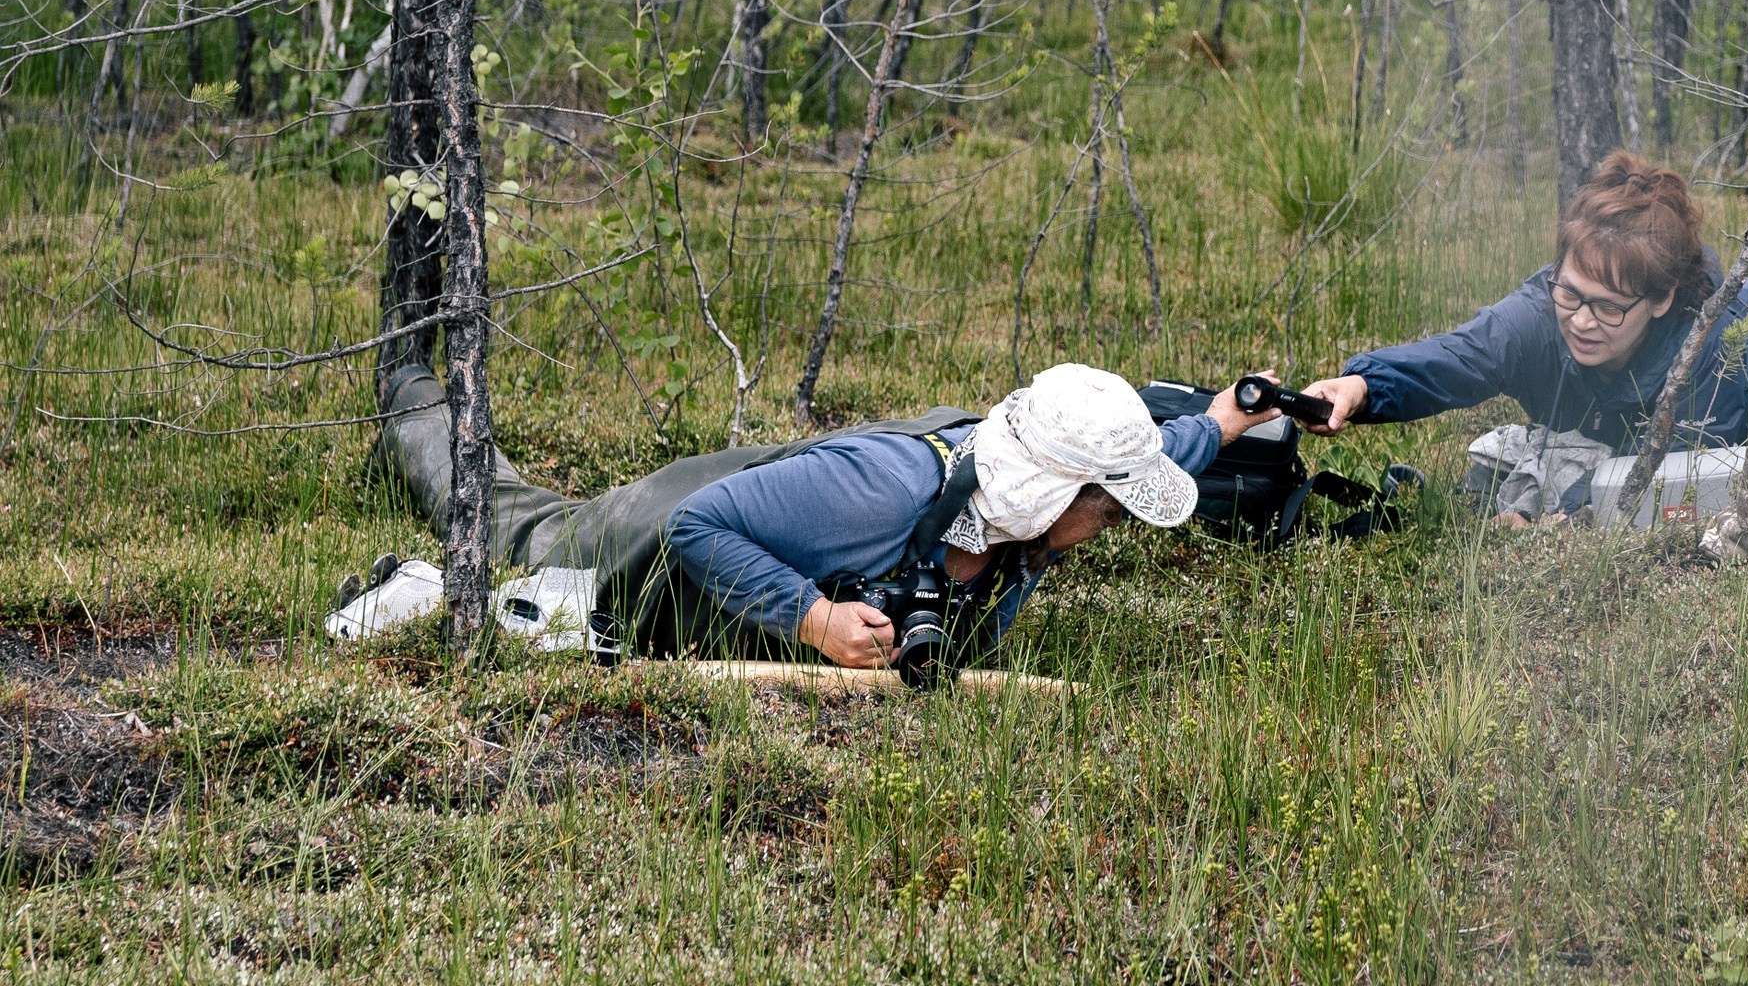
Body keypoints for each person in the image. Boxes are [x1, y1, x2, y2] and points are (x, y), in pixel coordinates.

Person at [361, 361, 1278, 669]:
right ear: (1057, 494)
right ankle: (411, 400)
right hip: (658, 530)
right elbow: (699, 531)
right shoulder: (885, 491)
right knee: (519, 525)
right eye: (1111, 513)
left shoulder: (1057, 501)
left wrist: (1237, 412)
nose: (1113, 527)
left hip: (745, 521)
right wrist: (817, 620)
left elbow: (1172, 453)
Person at [1296, 150, 1748, 520]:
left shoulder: (1719, 357)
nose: (1580, 320)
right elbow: (1460, 356)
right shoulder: (1545, 309)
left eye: (1607, 308)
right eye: (1572, 293)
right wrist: (1362, 388)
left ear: (1660, 301)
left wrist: (1562, 513)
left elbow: (1668, 485)